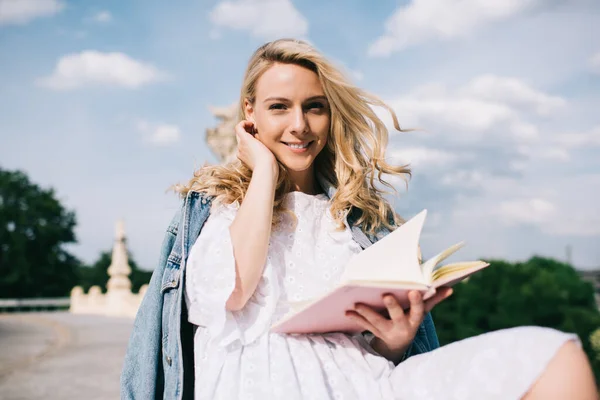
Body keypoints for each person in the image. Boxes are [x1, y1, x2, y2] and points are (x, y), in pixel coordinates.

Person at [121, 39, 598, 400]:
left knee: (553, 354)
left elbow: (363, 344)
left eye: (314, 107)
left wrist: (393, 343)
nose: (300, 126)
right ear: (250, 114)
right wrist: (263, 169)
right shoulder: (214, 207)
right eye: (279, 108)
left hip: (368, 383)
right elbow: (234, 290)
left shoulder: (356, 218)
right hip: (262, 385)